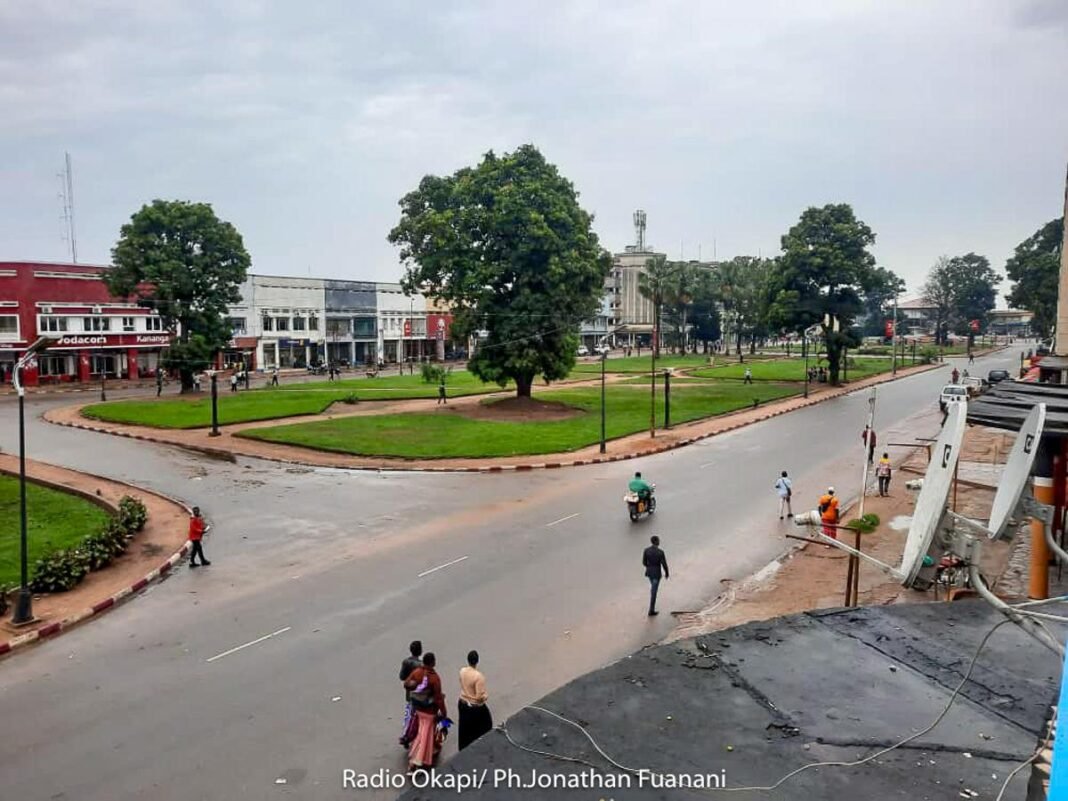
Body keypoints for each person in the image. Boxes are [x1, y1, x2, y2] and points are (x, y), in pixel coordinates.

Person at [404, 652, 447, 772]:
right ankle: (415, 761)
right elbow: (438, 698)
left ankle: (431, 749)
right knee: (423, 734)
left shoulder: (417, 672)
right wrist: (443, 712)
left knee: (423, 731)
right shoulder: (434, 678)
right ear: (432, 662)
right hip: (429, 711)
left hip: (418, 709)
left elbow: (407, 683)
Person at [457, 650, 492, 750]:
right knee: (486, 725)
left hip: (462, 702)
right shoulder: (478, 677)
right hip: (475, 707)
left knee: (464, 729)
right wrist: (485, 696)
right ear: (477, 661)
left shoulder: (462, 671)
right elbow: (479, 697)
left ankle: (463, 749)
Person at [399, 640, 423, 747]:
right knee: (417, 716)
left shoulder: (406, 662)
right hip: (419, 694)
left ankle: (406, 734)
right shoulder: (421, 666)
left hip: (409, 693)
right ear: (420, 651)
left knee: (409, 714)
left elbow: (402, 677)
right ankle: (414, 736)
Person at [642, 535, 669, 616]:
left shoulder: (646, 550)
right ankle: (651, 610)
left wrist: (649, 567)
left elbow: (644, 562)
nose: (659, 542)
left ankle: (652, 609)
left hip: (649, 572)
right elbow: (664, 564)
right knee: (654, 592)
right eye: (658, 540)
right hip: (656, 573)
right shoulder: (660, 552)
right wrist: (667, 573)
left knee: (653, 589)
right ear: (656, 541)